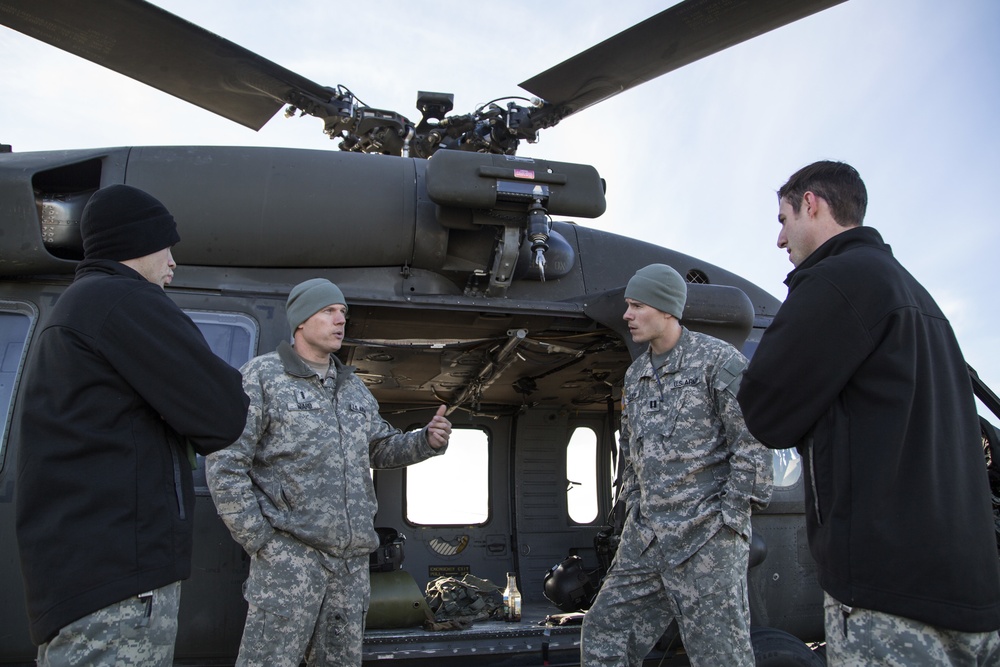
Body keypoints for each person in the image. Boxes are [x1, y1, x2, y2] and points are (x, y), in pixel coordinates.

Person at [737, 160, 1000, 664]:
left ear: (811, 203)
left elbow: (764, 412)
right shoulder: (918, 297)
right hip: (972, 598)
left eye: (783, 219)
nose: (779, 240)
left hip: (890, 598)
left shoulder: (835, 280)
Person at [14, 184, 250, 666]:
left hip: (87, 573)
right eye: (167, 246)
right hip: (117, 578)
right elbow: (225, 412)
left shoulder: (82, 305)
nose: (172, 263)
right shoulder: (122, 299)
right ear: (137, 242)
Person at [205, 277, 452, 667]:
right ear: (301, 320)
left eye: (343, 313)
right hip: (290, 559)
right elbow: (225, 462)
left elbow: (380, 448)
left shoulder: (353, 390)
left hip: (350, 566)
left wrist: (427, 441)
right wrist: (260, 541)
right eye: (329, 312)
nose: (340, 321)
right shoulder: (262, 377)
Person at [580, 264, 773, 666]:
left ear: (667, 310)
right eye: (627, 306)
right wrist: (634, 505)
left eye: (636, 306)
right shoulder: (635, 376)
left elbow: (754, 443)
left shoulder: (717, 361)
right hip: (647, 538)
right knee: (604, 630)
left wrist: (729, 522)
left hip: (705, 538)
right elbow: (631, 451)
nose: (627, 315)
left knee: (720, 655)